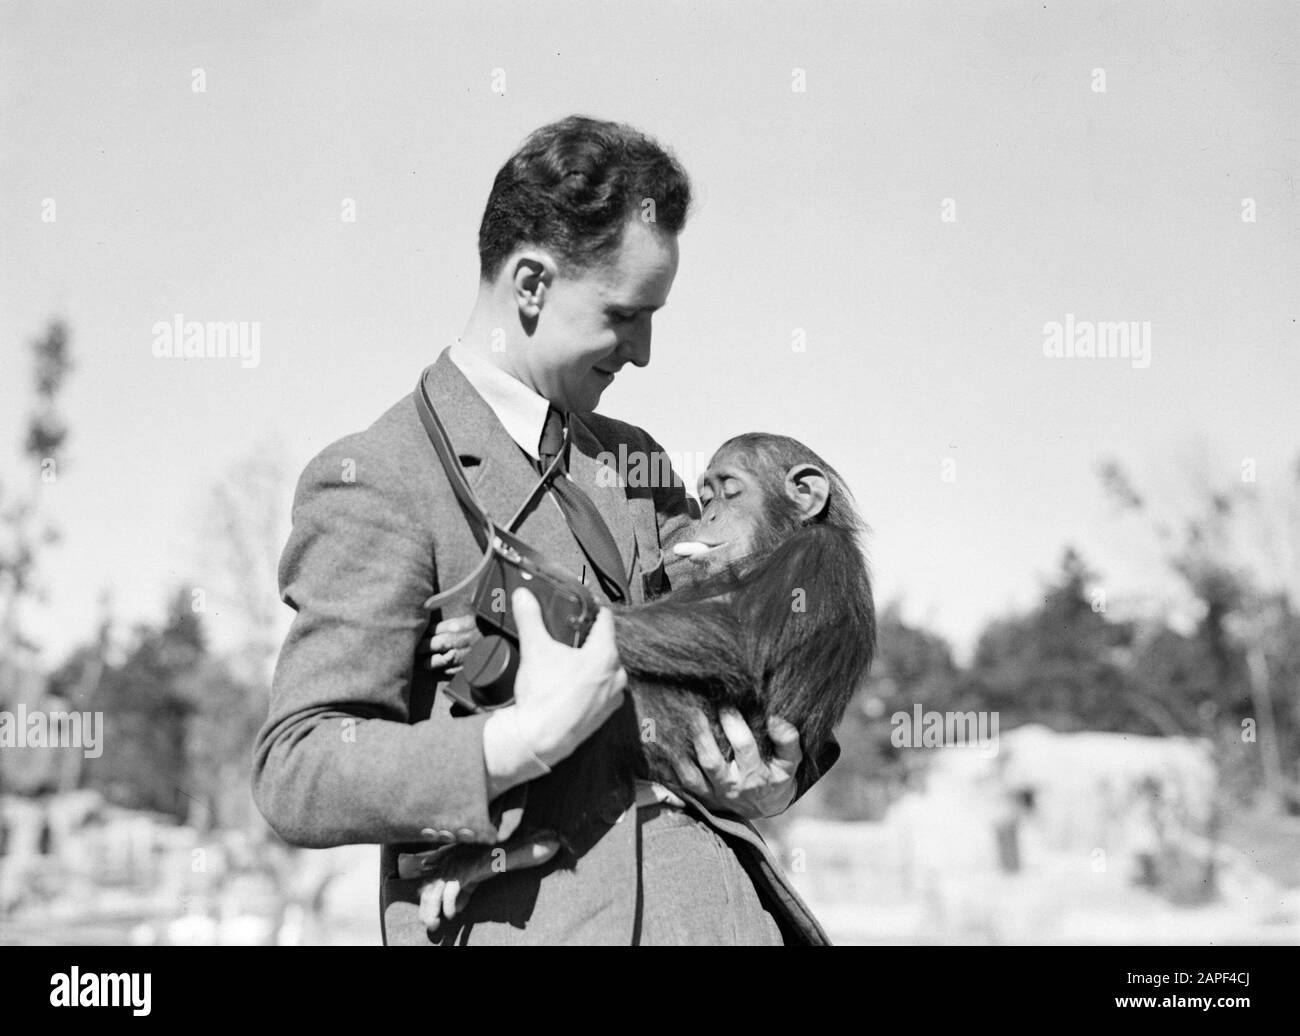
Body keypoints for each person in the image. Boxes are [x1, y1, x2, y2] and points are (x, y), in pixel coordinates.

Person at [252, 115, 834, 945]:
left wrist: (781, 764)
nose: (642, 351)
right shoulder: (382, 477)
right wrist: (518, 741)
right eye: (625, 314)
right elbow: (298, 767)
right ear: (530, 285)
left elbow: (755, 646)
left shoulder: (634, 460)